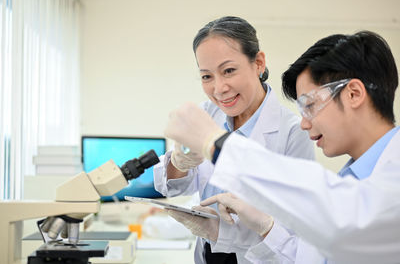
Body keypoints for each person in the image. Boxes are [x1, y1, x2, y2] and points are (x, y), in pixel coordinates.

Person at [163, 30, 400, 264]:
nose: (305, 124)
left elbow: (343, 215)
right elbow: (311, 257)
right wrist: (261, 227)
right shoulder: (357, 176)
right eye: (207, 76)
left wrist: (217, 144)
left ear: (353, 94)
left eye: (310, 105)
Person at [153, 16, 315, 264]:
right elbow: (172, 187)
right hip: (208, 254)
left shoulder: (293, 131)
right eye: (207, 76)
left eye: (229, 71)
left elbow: (294, 231)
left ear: (258, 63)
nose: (219, 88)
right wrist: (179, 162)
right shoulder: (206, 113)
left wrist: (221, 231)